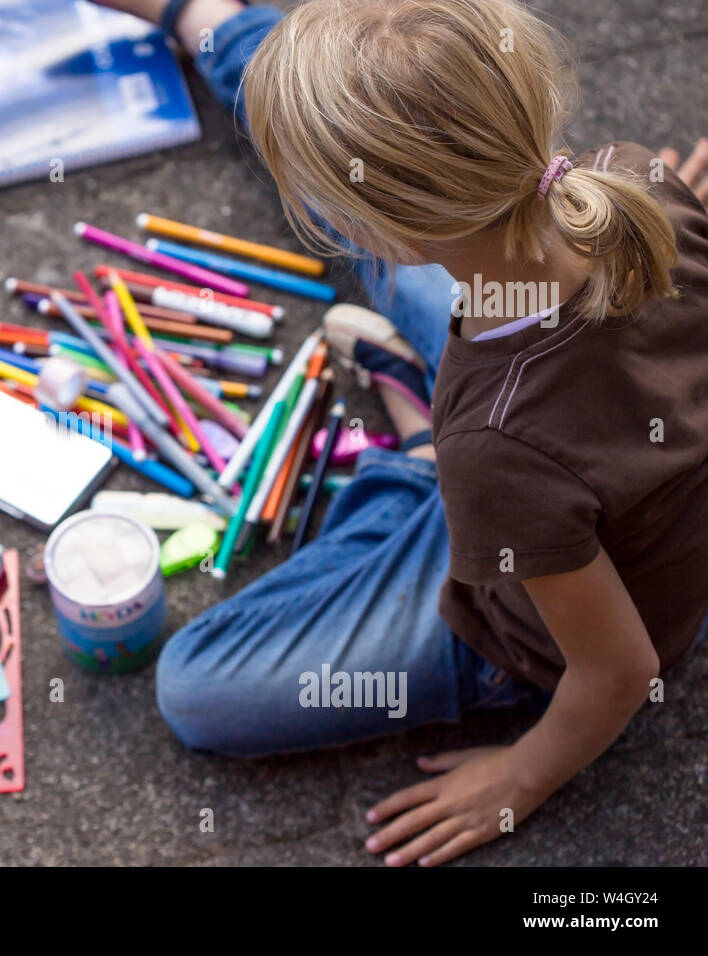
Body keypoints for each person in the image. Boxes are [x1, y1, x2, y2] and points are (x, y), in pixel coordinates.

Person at [99, 0, 708, 866]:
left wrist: (522, 779)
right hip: (558, 471)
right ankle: (202, 16)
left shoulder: (499, 448)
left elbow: (621, 672)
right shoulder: (632, 180)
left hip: (522, 614)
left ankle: (410, 461)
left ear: (390, 237)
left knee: (195, 688)